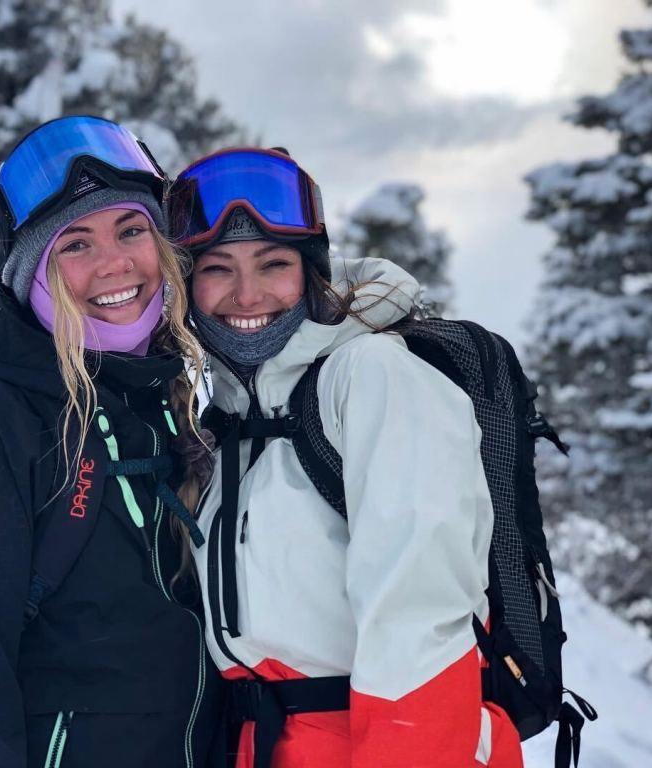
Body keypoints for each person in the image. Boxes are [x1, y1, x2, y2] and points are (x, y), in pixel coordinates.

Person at [167, 147, 524, 767]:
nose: (247, 295)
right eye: (218, 268)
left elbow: (422, 617)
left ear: (311, 273)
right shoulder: (226, 423)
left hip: (398, 741)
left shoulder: (373, 375)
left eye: (273, 264)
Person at [0, 116, 222, 768]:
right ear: (32, 275)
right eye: (74, 245)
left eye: (132, 230)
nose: (114, 263)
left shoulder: (159, 394)